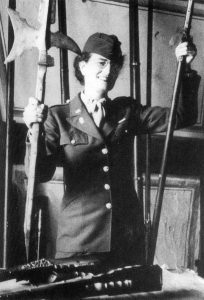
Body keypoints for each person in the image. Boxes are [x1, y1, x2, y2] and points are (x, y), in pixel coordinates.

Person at [23, 32, 199, 265]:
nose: (108, 71)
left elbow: (181, 116)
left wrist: (185, 69)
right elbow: (39, 173)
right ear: (83, 66)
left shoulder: (127, 111)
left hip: (126, 240)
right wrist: (33, 130)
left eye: (114, 66)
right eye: (102, 63)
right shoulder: (58, 117)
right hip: (80, 242)